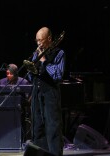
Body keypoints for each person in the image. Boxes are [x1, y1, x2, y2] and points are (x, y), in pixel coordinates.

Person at [27, 27, 65, 156]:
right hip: (37, 93)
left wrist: (44, 62)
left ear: (49, 39)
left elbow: (58, 75)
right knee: (37, 126)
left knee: (52, 127)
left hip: (50, 93)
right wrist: (32, 66)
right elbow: (31, 77)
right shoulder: (36, 53)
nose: (38, 43)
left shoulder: (59, 53)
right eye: (37, 40)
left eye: (41, 40)